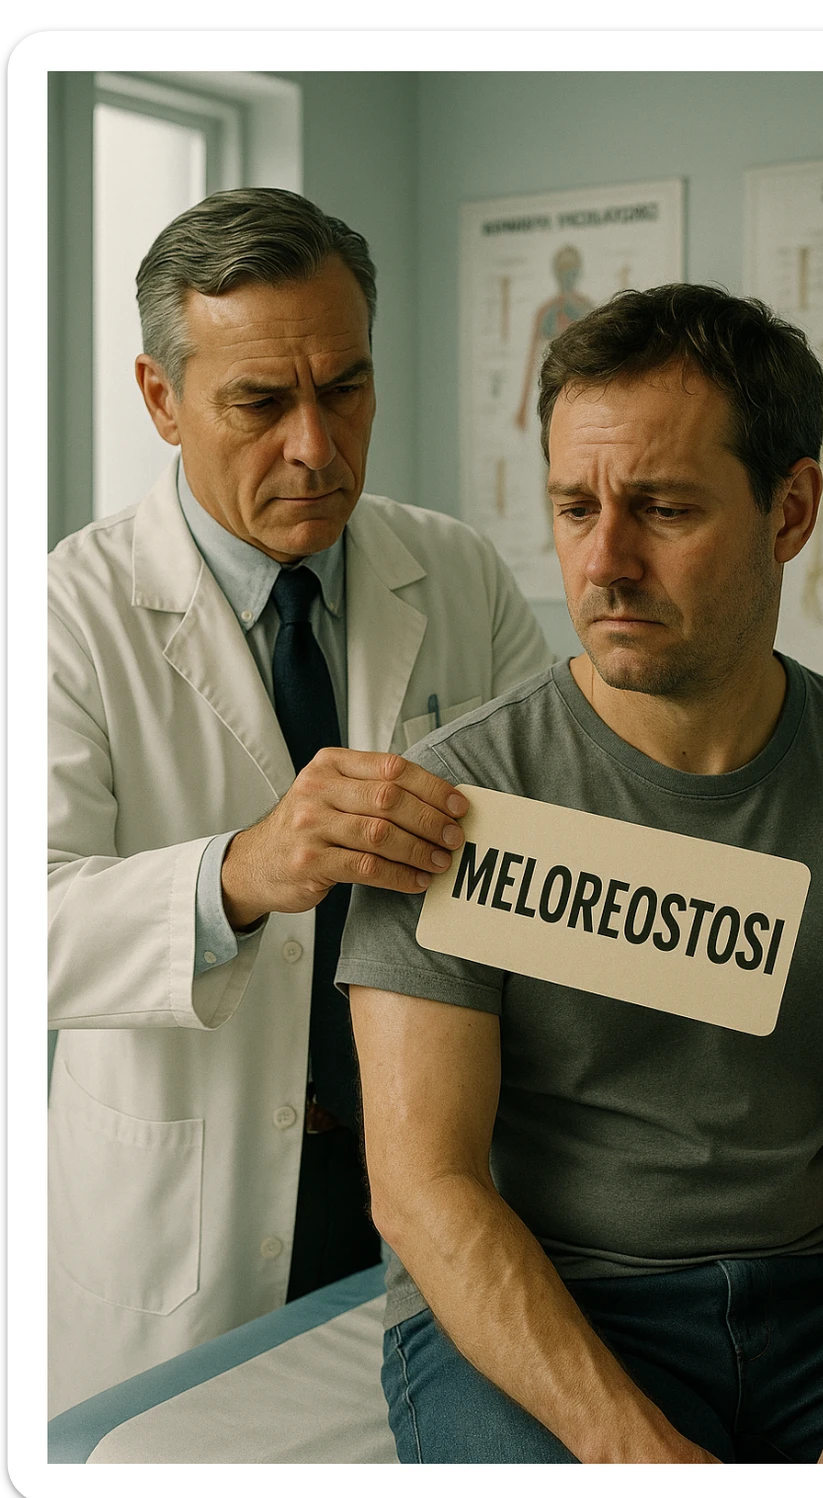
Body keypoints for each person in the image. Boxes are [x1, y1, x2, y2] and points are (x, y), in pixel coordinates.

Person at [338, 283, 823, 1464]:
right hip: (552, 1309)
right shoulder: (450, 802)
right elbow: (423, 1185)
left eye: (664, 510)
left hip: (815, 1299)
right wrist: (639, 1453)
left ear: (790, 511)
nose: (605, 561)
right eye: (573, 508)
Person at [47, 187, 553, 1416]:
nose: (317, 447)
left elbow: (553, 845)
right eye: (261, 404)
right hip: (188, 1221)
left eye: (346, 388)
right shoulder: (68, 613)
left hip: (434, 1180)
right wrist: (239, 871)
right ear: (162, 401)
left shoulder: (459, 570)